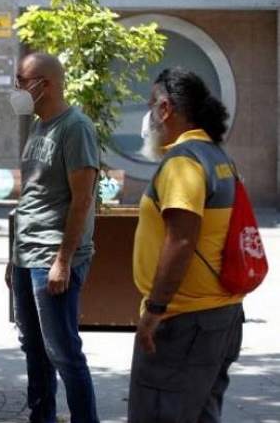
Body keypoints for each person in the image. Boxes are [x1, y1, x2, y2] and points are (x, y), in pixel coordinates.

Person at [128, 67, 243, 422]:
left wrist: (156, 310)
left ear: (165, 110)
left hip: (182, 322)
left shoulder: (183, 163)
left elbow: (180, 239)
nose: (147, 117)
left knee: (161, 414)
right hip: (221, 316)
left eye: (151, 106)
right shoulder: (218, 156)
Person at [5, 52, 100, 423]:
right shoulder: (38, 126)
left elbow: (82, 199)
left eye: (22, 79)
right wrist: (13, 258)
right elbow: (31, 197)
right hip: (28, 256)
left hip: (54, 259)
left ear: (46, 84)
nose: (17, 87)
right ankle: (41, 417)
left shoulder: (75, 128)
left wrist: (63, 260)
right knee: (33, 347)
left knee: (62, 350)